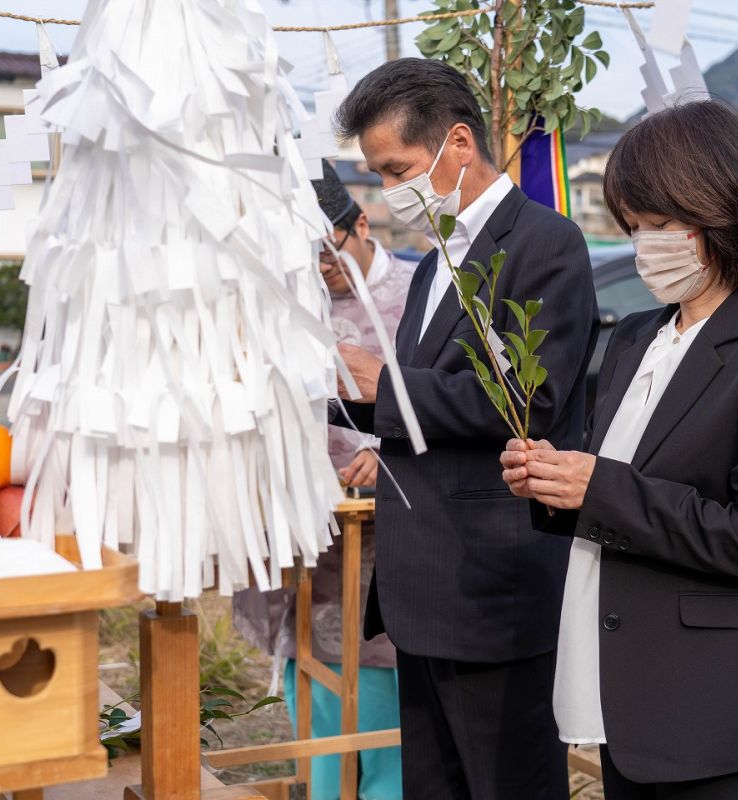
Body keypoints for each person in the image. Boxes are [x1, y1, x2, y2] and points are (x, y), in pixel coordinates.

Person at [500, 99, 738, 799]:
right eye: (633, 227)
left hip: (714, 706)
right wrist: (554, 486)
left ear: (722, 209)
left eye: (660, 225)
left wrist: (596, 487)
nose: (644, 244)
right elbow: (617, 493)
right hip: (627, 688)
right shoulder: (633, 338)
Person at [332, 58, 599, 800]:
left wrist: (386, 384)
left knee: (507, 781)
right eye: (379, 174)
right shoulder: (431, 266)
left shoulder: (547, 244)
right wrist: (327, 395)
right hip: (422, 586)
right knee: (436, 785)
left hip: (493, 583)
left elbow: (527, 405)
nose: (390, 191)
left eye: (397, 168)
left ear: (457, 142)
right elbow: (415, 408)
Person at [233, 161, 416, 800]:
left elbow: (449, 406)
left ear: (360, 223)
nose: (320, 265)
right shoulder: (287, 303)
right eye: (303, 254)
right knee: (312, 686)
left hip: (390, 533)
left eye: (327, 247)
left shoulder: (419, 297)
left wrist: (389, 448)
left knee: (388, 707)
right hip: (313, 529)